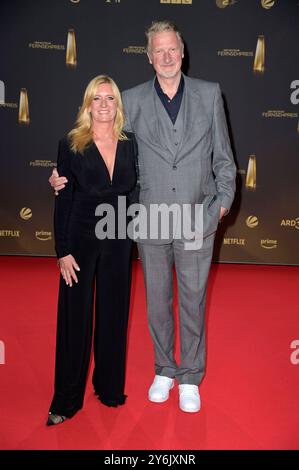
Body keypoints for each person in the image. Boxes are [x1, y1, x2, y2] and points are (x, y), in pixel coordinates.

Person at [50, 21, 236, 414]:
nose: (166, 57)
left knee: (192, 301)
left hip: (196, 218)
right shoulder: (130, 100)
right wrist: (61, 174)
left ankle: (189, 376)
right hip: (148, 220)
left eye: (173, 50)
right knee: (156, 303)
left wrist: (220, 206)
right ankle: (164, 369)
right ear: (148, 56)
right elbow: (104, 147)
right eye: (159, 51)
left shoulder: (208, 94)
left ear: (182, 52)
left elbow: (224, 159)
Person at [46, 75, 137, 425]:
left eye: (110, 98)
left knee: (114, 316)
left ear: (117, 105)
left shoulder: (130, 143)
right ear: (87, 105)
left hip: (118, 238)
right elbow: (63, 198)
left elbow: (133, 192)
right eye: (96, 99)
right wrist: (62, 250)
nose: (103, 105)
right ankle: (66, 400)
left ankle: (109, 388)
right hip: (79, 239)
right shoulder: (71, 144)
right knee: (75, 319)